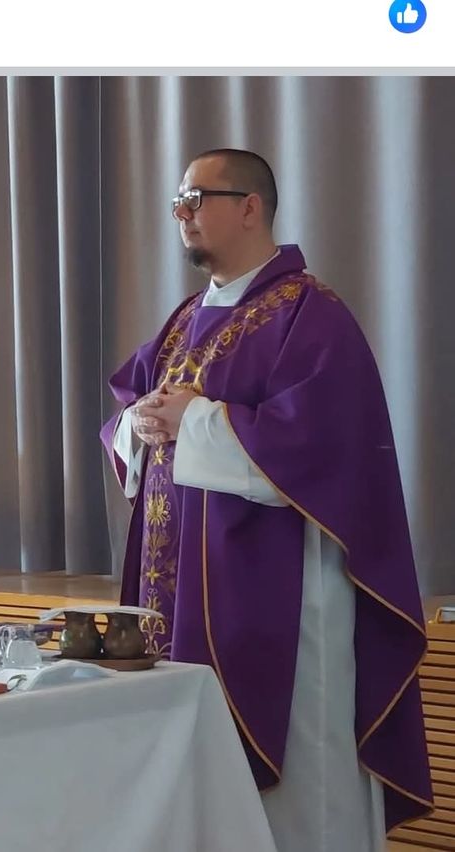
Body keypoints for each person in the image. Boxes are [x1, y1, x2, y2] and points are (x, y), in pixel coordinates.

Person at [100, 149, 432, 850]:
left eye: (197, 198)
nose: (182, 214)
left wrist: (193, 420)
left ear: (251, 206)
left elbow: (319, 445)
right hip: (182, 590)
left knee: (302, 790)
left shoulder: (312, 316)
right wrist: (143, 423)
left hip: (284, 595)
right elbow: (133, 405)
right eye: (177, 202)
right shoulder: (187, 316)